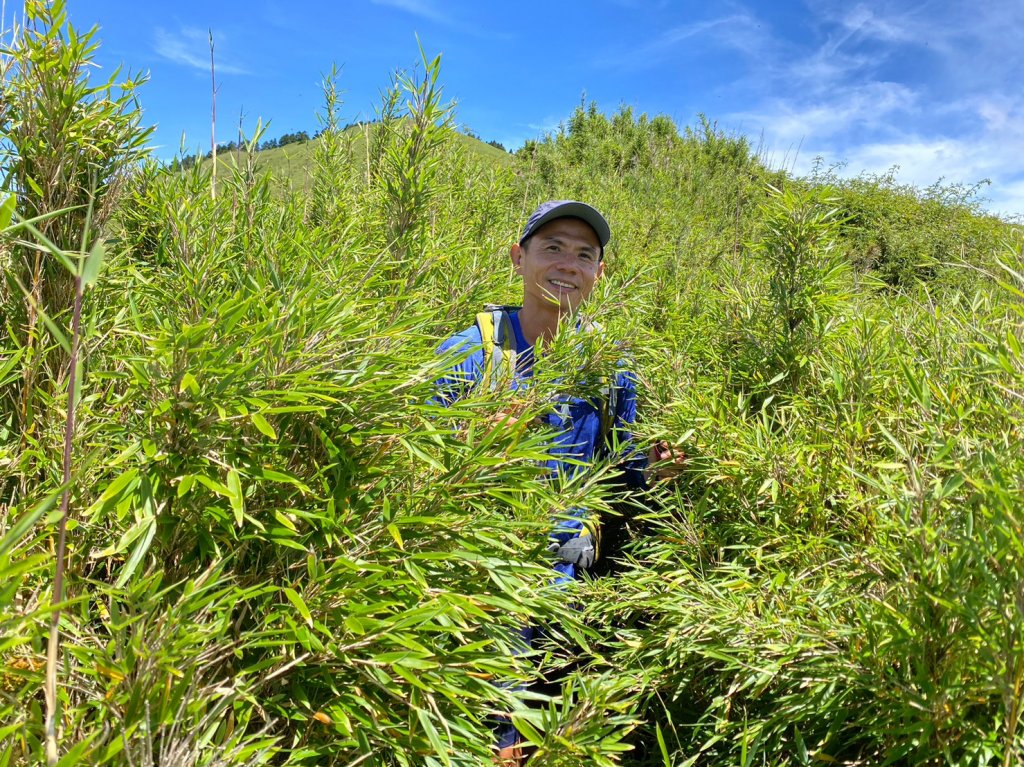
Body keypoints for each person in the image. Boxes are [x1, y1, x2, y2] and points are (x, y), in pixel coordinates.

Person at [433, 200, 683, 763]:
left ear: (599, 274)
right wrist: (468, 447)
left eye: (583, 254)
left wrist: (656, 468)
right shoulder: (470, 354)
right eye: (552, 248)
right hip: (479, 590)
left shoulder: (611, 365)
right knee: (488, 741)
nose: (567, 264)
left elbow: (621, 467)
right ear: (519, 258)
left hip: (573, 589)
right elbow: (401, 463)